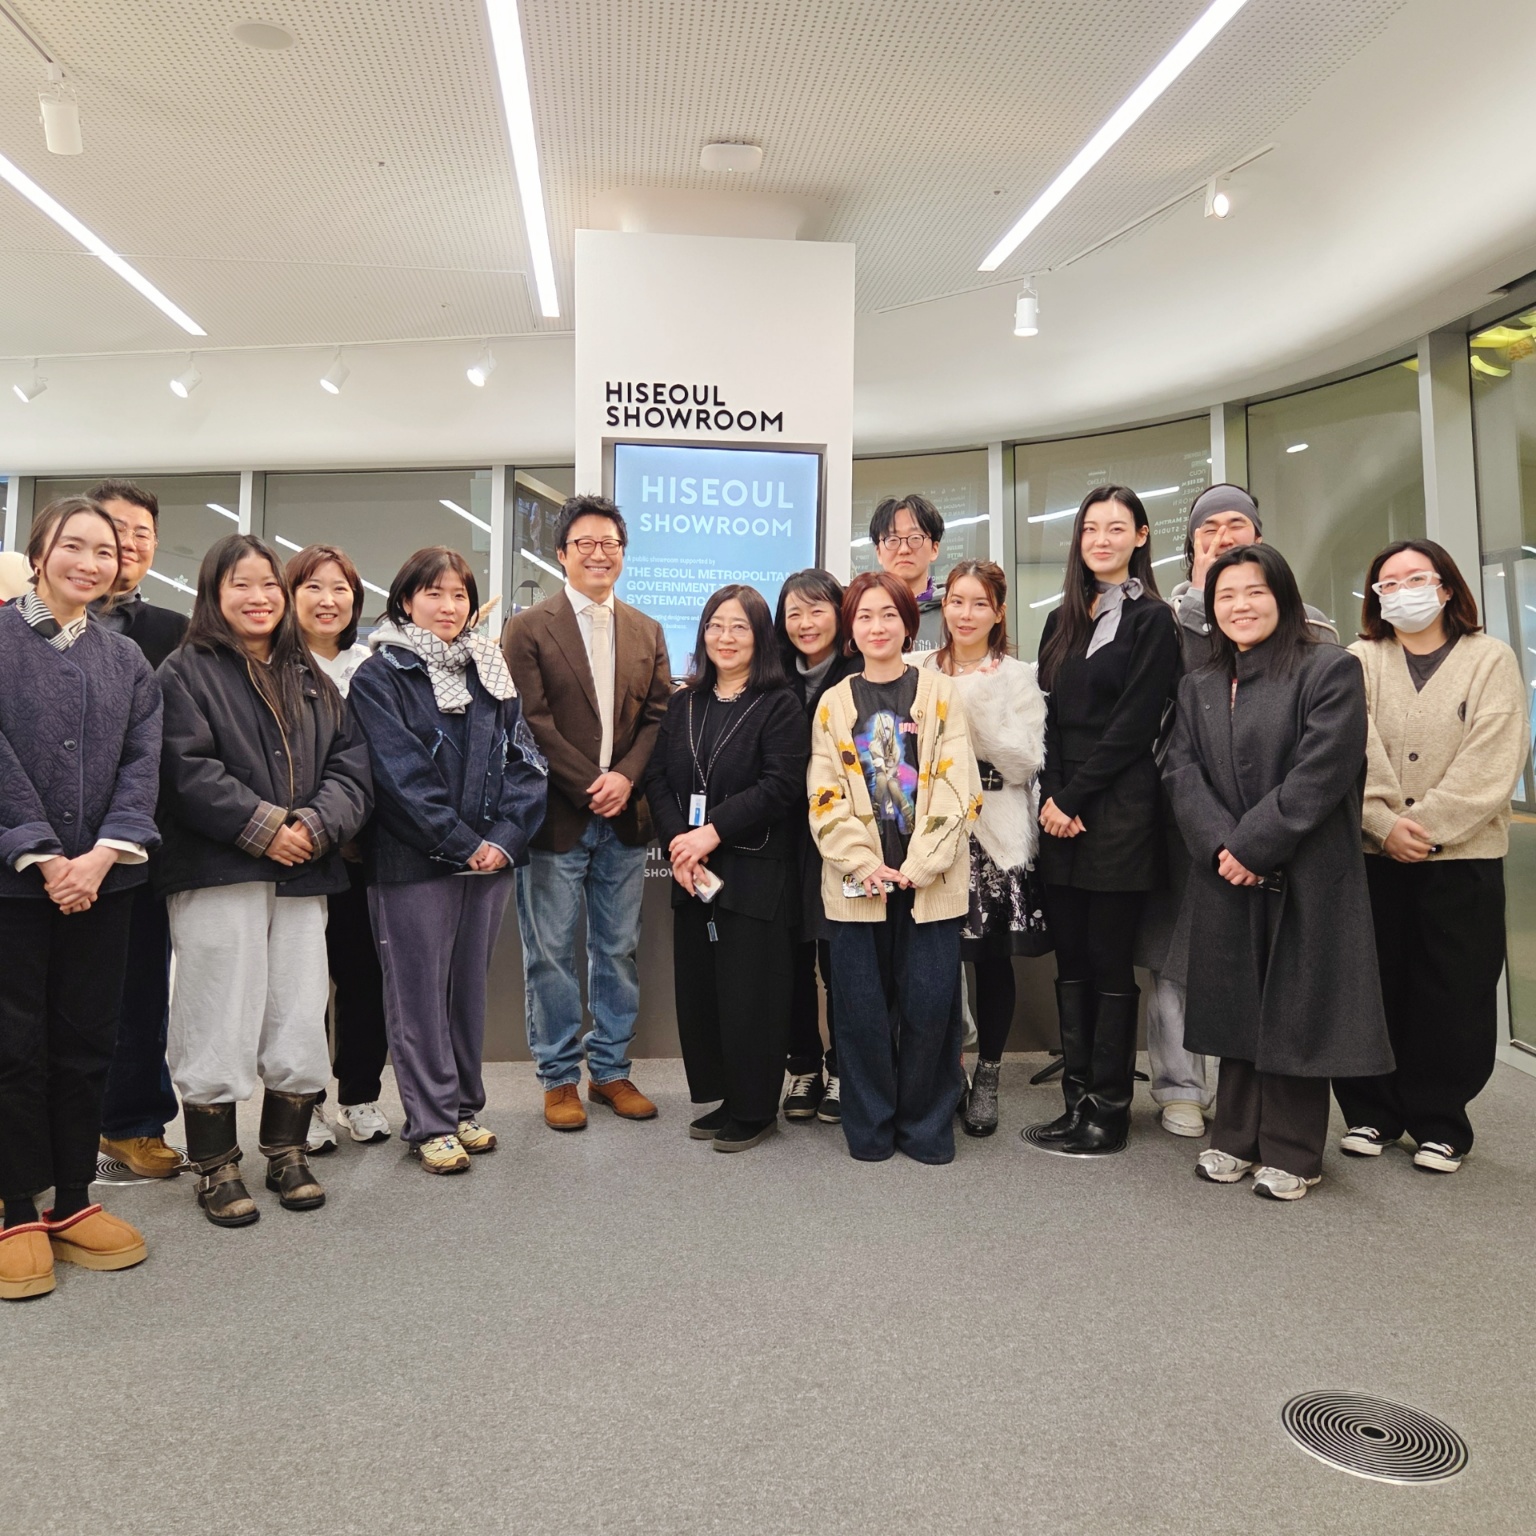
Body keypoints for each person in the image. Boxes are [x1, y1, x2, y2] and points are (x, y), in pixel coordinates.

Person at [1164, 544, 1392, 1200]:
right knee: (1235, 1001)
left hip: (1305, 871)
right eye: (1226, 595)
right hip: (1226, 872)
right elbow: (1180, 769)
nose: (1240, 606)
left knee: (1296, 1007)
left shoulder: (1330, 669)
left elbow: (1323, 771)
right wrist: (1221, 847)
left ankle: (1293, 1151)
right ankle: (1235, 1137)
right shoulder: (1200, 684)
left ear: (1283, 597)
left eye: (1254, 591)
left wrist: (1251, 846)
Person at [157, 534, 372, 1226]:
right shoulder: (184, 671)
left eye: (269, 585)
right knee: (216, 1010)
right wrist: (264, 827)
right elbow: (185, 770)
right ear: (213, 594)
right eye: (241, 585)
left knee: (299, 1011)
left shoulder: (307, 673)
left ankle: (286, 1150)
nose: (259, 598)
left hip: (304, 871)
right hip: (219, 870)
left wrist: (313, 826)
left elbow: (351, 767)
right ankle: (215, 1164)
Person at [1138, 484, 1336, 1137]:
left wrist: (1261, 833)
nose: (1223, 537)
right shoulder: (1162, 625)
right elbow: (1161, 735)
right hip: (1185, 821)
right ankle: (1179, 1086)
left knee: (1271, 960)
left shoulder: (1312, 630)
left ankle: (1257, 1101)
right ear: (1191, 547)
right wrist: (1213, 827)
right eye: (1208, 530)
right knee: (1176, 955)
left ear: (1260, 539)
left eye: (1236, 525)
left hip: (1279, 827)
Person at [0, 498, 161, 1300]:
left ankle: (70, 1199)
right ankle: (13, 1208)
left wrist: (99, 857)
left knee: (87, 1041)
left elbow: (143, 762)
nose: (91, 562)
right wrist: (42, 853)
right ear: (39, 553)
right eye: (74, 546)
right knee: (13, 1046)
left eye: (107, 552)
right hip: (12, 882)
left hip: (106, 881)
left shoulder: (125, 658)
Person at [350, 548, 548, 1174]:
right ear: (406, 600)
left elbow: (527, 763)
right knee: (417, 997)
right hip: (412, 862)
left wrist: (505, 839)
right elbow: (399, 776)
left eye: (459, 594)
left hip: (489, 864)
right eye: (433, 593)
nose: (448, 606)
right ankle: (431, 1122)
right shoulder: (379, 676)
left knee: (467, 994)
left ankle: (463, 1108)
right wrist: (465, 843)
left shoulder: (489, 668)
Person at [1334, 540, 1528, 1174]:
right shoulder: (1359, 659)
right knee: (1374, 983)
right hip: (1373, 855)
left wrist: (1424, 827)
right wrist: (1383, 823)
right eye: (1388, 583)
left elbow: (1494, 757)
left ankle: (1441, 1121)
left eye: (1416, 578)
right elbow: (1348, 747)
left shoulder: (1489, 659)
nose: (1402, 591)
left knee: (1454, 989)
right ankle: (1371, 1112)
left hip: (1464, 857)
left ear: (1445, 588)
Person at [502, 495, 671, 1132]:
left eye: (610, 544)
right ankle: (557, 1079)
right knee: (549, 952)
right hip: (556, 816)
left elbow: (657, 717)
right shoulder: (528, 627)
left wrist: (625, 778)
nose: (599, 554)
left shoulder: (647, 629)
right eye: (585, 544)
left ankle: (610, 1070)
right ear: (561, 553)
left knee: (617, 949)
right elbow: (529, 720)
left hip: (625, 817)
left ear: (623, 553)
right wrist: (590, 783)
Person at [807, 571, 982, 1164]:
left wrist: (920, 864)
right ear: (850, 629)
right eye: (864, 616)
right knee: (860, 1012)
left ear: (909, 624)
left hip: (929, 883)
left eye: (889, 614)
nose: (877, 626)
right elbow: (823, 795)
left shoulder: (941, 693)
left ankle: (926, 1128)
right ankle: (870, 1129)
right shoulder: (833, 703)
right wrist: (865, 863)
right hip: (859, 884)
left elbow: (961, 789)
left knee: (931, 1008)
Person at [1033, 487, 1180, 1155]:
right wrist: (1053, 797)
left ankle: (1109, 1111)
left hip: (1119, 807)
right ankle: (1076, 1101)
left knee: (1108, 960)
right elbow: (1044, 717)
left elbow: (1136, 724)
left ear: (1141, 536)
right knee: (1070, 959)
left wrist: (1074, 799)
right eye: (1090, 527)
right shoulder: (1060, 618)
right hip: (1058, 808)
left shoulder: (1154, 620)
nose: (1101, 539)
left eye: (1116, 528)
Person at [642, 585, 807, 1152]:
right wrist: (679, 845)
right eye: (716, 625)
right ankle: (727, 1097)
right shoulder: (685, 702)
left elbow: (781, 785)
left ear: (761, 636)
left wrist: (709, 832)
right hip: (694, 871)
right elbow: (657, 778)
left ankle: (756, 1108)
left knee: (750, 992)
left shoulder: (781, 704)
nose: (725, 637)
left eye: (739, 627)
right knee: (704, 990)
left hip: (756, 869)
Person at [922, 561, 1048, 1136]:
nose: (965, 614)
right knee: (935, 964)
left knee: (992, 963)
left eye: (979, 603)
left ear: (998, 612)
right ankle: (948, 1073)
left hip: (993, 834)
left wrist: (973, 706)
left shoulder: (1018, 676)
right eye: (956, 601)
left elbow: (1024, 762)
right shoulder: (919, 668)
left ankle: (989, 1077)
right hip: (934, 834)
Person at [89, 481, 189, 1180]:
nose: (129, 544)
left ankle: (132, 1122)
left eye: (142, 533)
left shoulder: (173, 631)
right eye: (115, 529)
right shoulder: (27, 627)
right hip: (46, 840)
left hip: (143, 840)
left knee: (141, 987)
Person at [287, 544, 391, 1151]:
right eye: (313, 587)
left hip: (365, 853)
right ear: (290, 596)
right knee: (301, 986)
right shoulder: (273, 666)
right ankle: (305, 1104)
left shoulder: (372, 666)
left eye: (341, 589)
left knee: (363, 979)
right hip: (298, 848)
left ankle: (360, 1095)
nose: (328, 601)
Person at [774, 569, 859, 1124]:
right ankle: (802, 1064)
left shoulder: (861, 674)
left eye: (817, 610)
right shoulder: (771, 675)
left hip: (844, 836)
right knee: (789, 959)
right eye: (794, 613)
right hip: (782, 837)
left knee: (840, 957)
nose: (806, 623)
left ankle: (843, 1068)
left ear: (839, 614)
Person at [869, 494, 946, 649]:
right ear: (878, 552)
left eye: (915, 538)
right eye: (892, 539)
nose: (904, 549)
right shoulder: (863, 614)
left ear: (934, 549)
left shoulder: (954, 614)